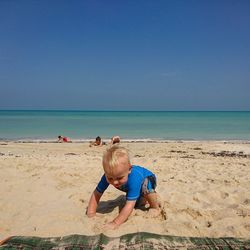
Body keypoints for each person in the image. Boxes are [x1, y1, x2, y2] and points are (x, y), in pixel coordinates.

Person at [86, 145, 160, 229]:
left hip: (147, 178)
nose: (115, 182)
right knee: (138, 204)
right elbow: (97, 194)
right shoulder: (108, 176)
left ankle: (155, 207)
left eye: (119, 178)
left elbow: (129, 205)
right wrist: (91, 212)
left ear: (129, 170)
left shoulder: (134, 178)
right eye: (110, 178)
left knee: (146, 188)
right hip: (131, 186)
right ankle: (144, 198)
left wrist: (115, 223)